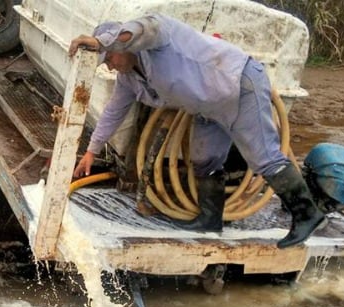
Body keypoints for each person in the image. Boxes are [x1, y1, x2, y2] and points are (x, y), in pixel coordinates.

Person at [69, 13, 324, 248]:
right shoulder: (129, 79)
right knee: (204, 160)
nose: (109, 66)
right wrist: (91, 151)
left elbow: (143, 27)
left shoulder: (157, 35)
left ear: (124, 46)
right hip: (208, 109)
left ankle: (307, 215)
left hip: (238, 84)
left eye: (109, 57)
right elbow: (114, 112)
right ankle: (210, 221)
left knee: (264, 158)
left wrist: (100, 42)